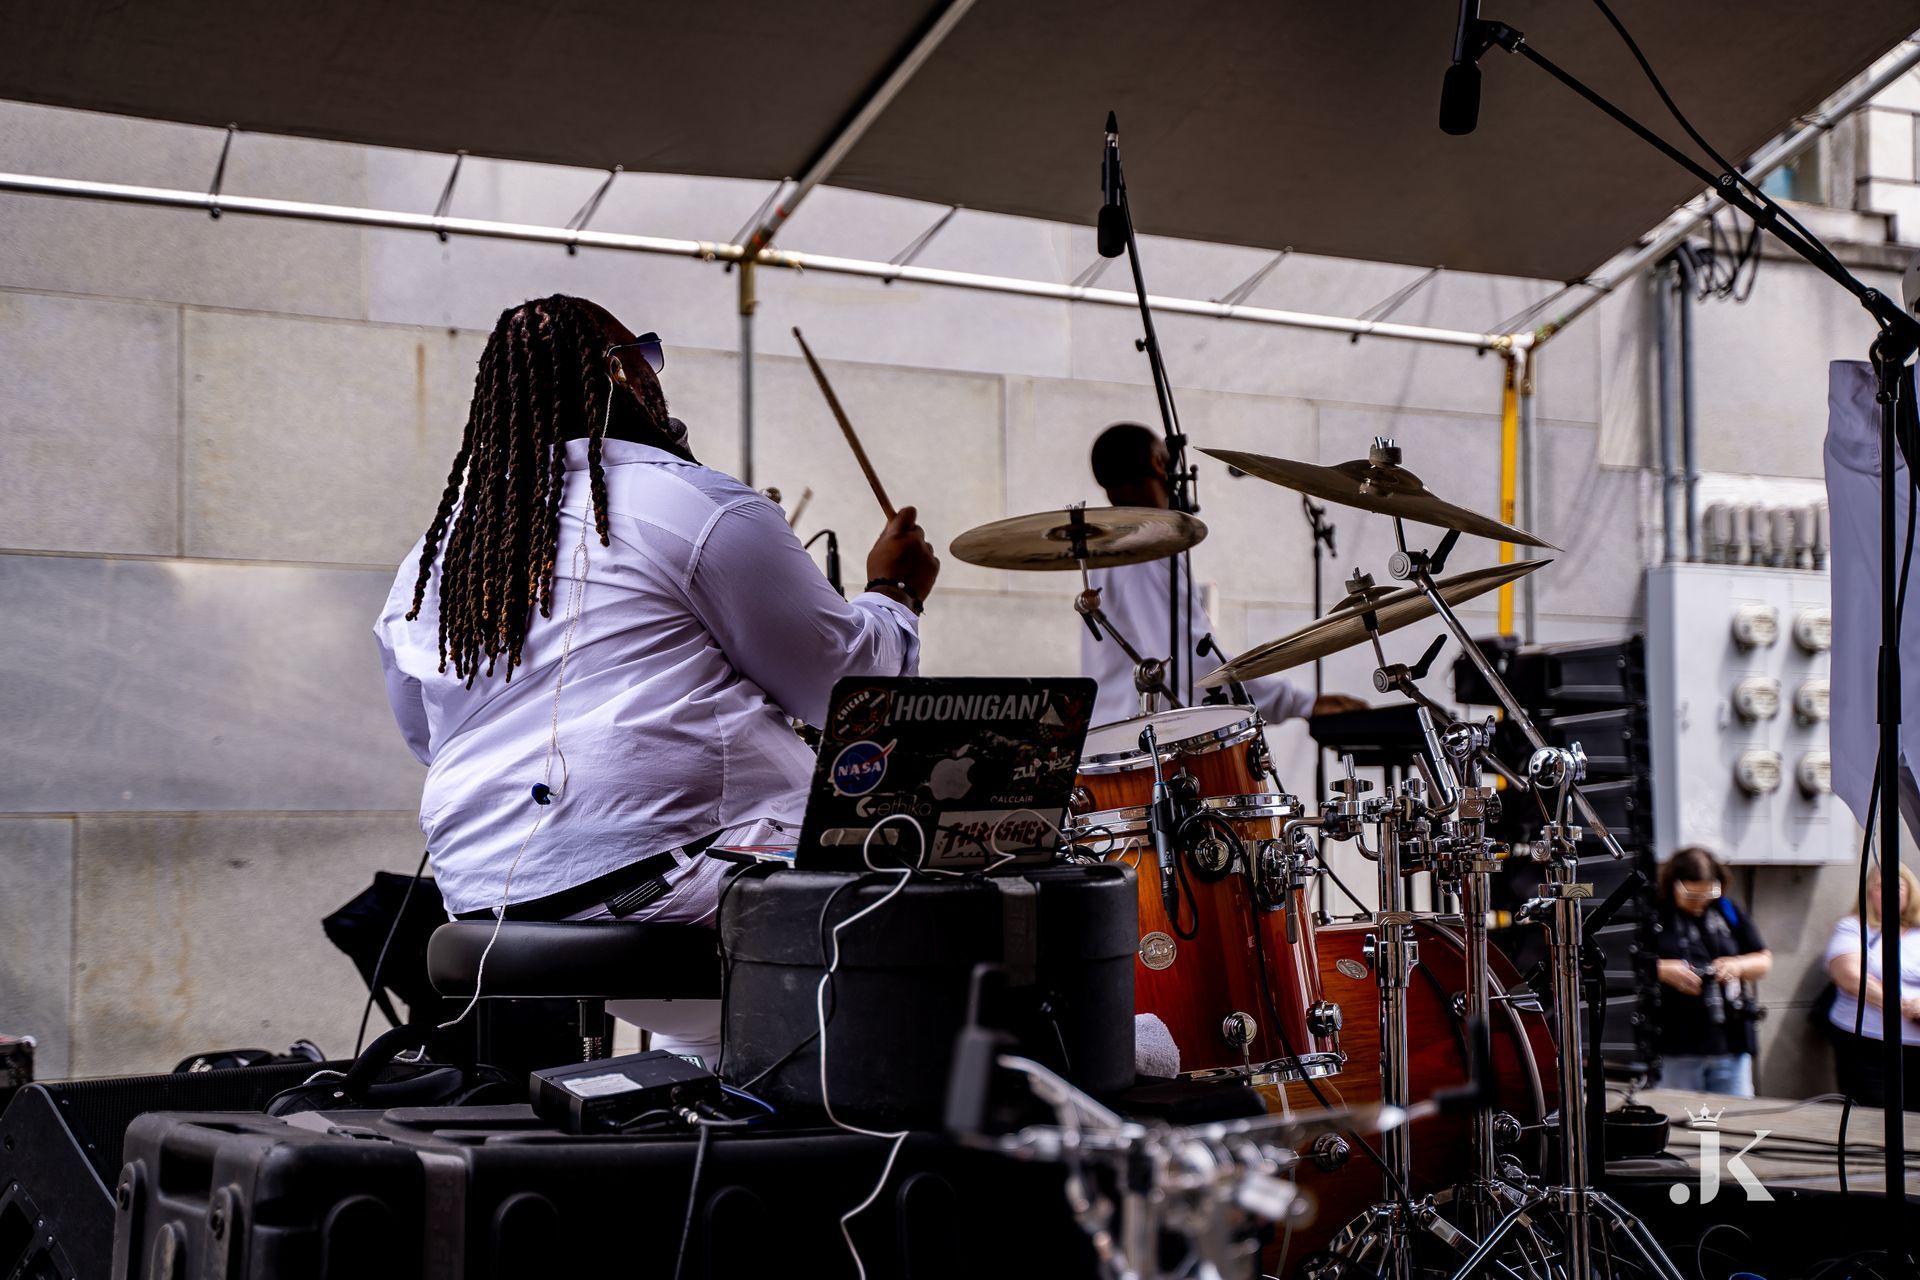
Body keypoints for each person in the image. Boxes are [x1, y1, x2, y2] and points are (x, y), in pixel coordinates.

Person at [374, 294, 939, 1063]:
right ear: (621, 374)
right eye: (646, 357)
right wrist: (895, 592)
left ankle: (693, 1096)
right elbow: (847, 691)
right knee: (957, 882)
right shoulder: (689, 503)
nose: (657, 378)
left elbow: (426, 737)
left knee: (721, 1034)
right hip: (671, 886)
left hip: (489, 898)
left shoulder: (438, 557)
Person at [1081, 423, 1367, 727]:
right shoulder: (1146, 548)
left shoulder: (1115, 548)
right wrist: (1301, 703)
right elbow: (1190, 664)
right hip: (1142, 743)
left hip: (1116, 738)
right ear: (1157, 462)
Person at [1653, 846, 1771, 1097]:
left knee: (1732, 1117)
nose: (1701, 901)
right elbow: (1625, 965)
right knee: (1679, 1116)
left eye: (1708, 893)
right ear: (1673, 885)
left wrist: (1736, 966)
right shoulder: (1654, 913)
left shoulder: (1726, 909)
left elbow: (1763, 960)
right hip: (1676, 1043)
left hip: (1730, 1041)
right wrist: (1663, 969)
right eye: (1691, 895)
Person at [1823, 860, 1920, 1109]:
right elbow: (1850, 976)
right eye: (1879, 886)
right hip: (1868, 1046)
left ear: (1910, 891)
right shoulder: (1854, 927)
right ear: (1868, 893)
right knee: (1873, 1116)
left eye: (1897, 886)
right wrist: (1901, 1006)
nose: (1887, 892)